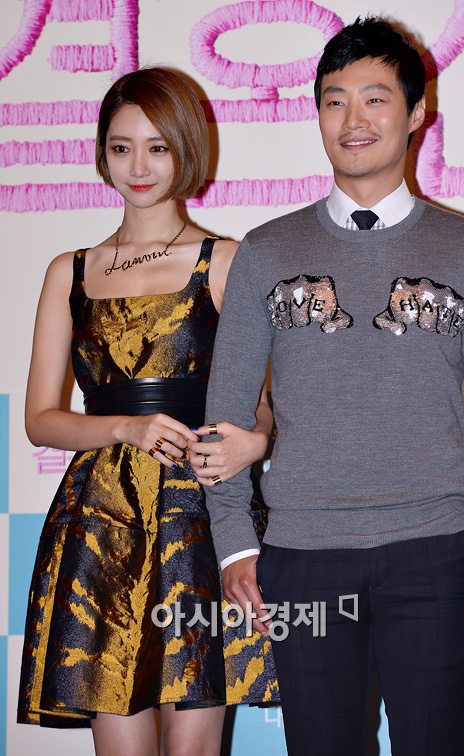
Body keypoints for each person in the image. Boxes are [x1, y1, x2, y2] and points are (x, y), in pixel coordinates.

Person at [204, 17, 464, 756]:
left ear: (416, 113)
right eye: (335, 100)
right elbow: (225, 414)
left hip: (435, 550)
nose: (354, 119)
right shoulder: (266, 252)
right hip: (302, 554)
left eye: (376, 98)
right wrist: (234, 545)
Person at [17, 67, 277, 756]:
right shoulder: (70, 271)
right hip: (101, 519)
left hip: (201, 516)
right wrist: (125, 428)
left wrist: (254, 442)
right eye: (122, 147)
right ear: (102, 154)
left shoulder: (226, 262)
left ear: (187, 149)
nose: (138, 166)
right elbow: (40, 418)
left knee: (193, 746)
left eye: (157, 147)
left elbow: (264, 406)